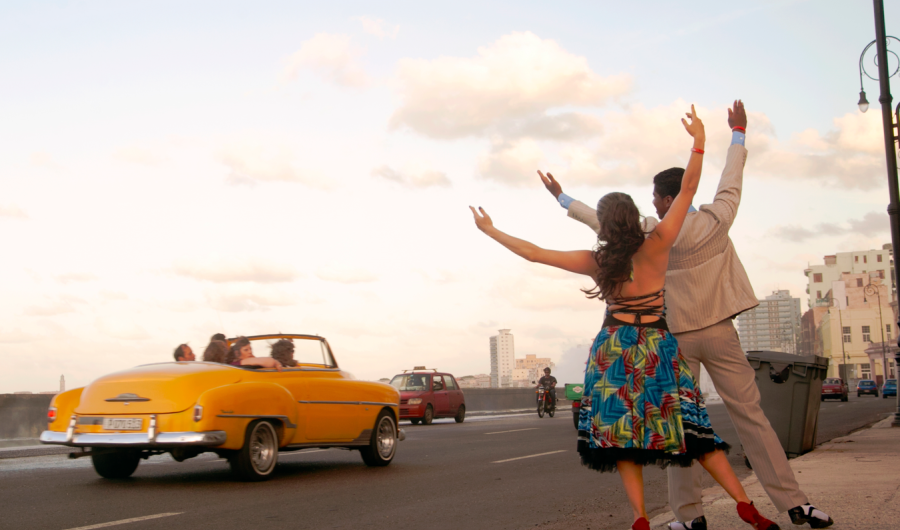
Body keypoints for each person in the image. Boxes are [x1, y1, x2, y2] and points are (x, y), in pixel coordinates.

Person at [472, 106, 780, 530]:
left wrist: (491, 230)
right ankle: (746, 505)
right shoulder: (658, 245)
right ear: (633, 215)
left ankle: (639, 518)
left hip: (614, 351)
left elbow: (533, 252)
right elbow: (689, 188)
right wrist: (700, 140)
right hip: (658, 345)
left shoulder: (596, 261)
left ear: (604, 226)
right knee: (691, 429)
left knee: (621, 438)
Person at [541, 101, 832, 530]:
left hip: (673, 340)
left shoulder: (650, 234)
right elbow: (731, 181)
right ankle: (795, 504)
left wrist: (563, 198)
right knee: (753, 418)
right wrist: (737, 133)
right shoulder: (717, 219)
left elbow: (603, 223)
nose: (655, 204)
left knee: (678, 426)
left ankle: (689, 517)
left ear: (666, 198)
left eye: (657, 197)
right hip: (719, 332)